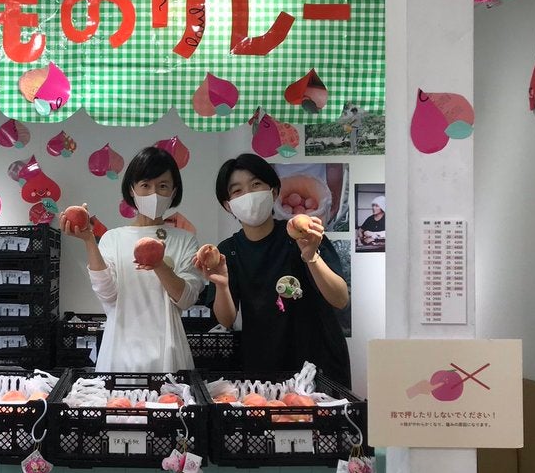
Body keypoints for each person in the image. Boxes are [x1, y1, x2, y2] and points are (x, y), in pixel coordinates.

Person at [194, 153, 351, 387]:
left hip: (319, 362)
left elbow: (340, 299)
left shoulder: (303, 235)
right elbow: (225, 319)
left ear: (274, 192)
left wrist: (311, 257)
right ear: (228, 205)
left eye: (256, 184)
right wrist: (222, 285)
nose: (248, 194)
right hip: (265, 366)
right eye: (237, 191)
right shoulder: (228, 251)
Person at [60, 146, 204, 372]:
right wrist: (89, 240)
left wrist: (159, 265)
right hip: (118, 352)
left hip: (168, 352)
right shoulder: (113, 238)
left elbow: (186, 299)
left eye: (163, 186)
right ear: (132, 189)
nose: (154, 193)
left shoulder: (185, 240)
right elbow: (107, 294)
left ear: (174, 192)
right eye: (145, 185)